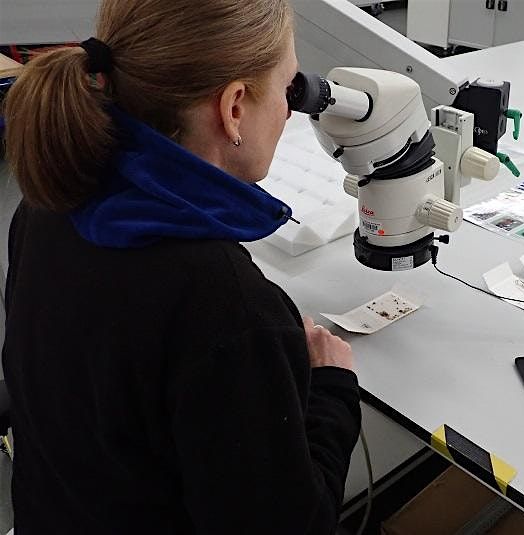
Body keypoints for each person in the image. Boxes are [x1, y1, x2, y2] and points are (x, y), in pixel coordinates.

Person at [1, 1, 361, 533]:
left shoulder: (49, 201)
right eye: (287, 90)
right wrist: (333, 387)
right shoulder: (227, 307)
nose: (290, 111)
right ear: (234, 108)